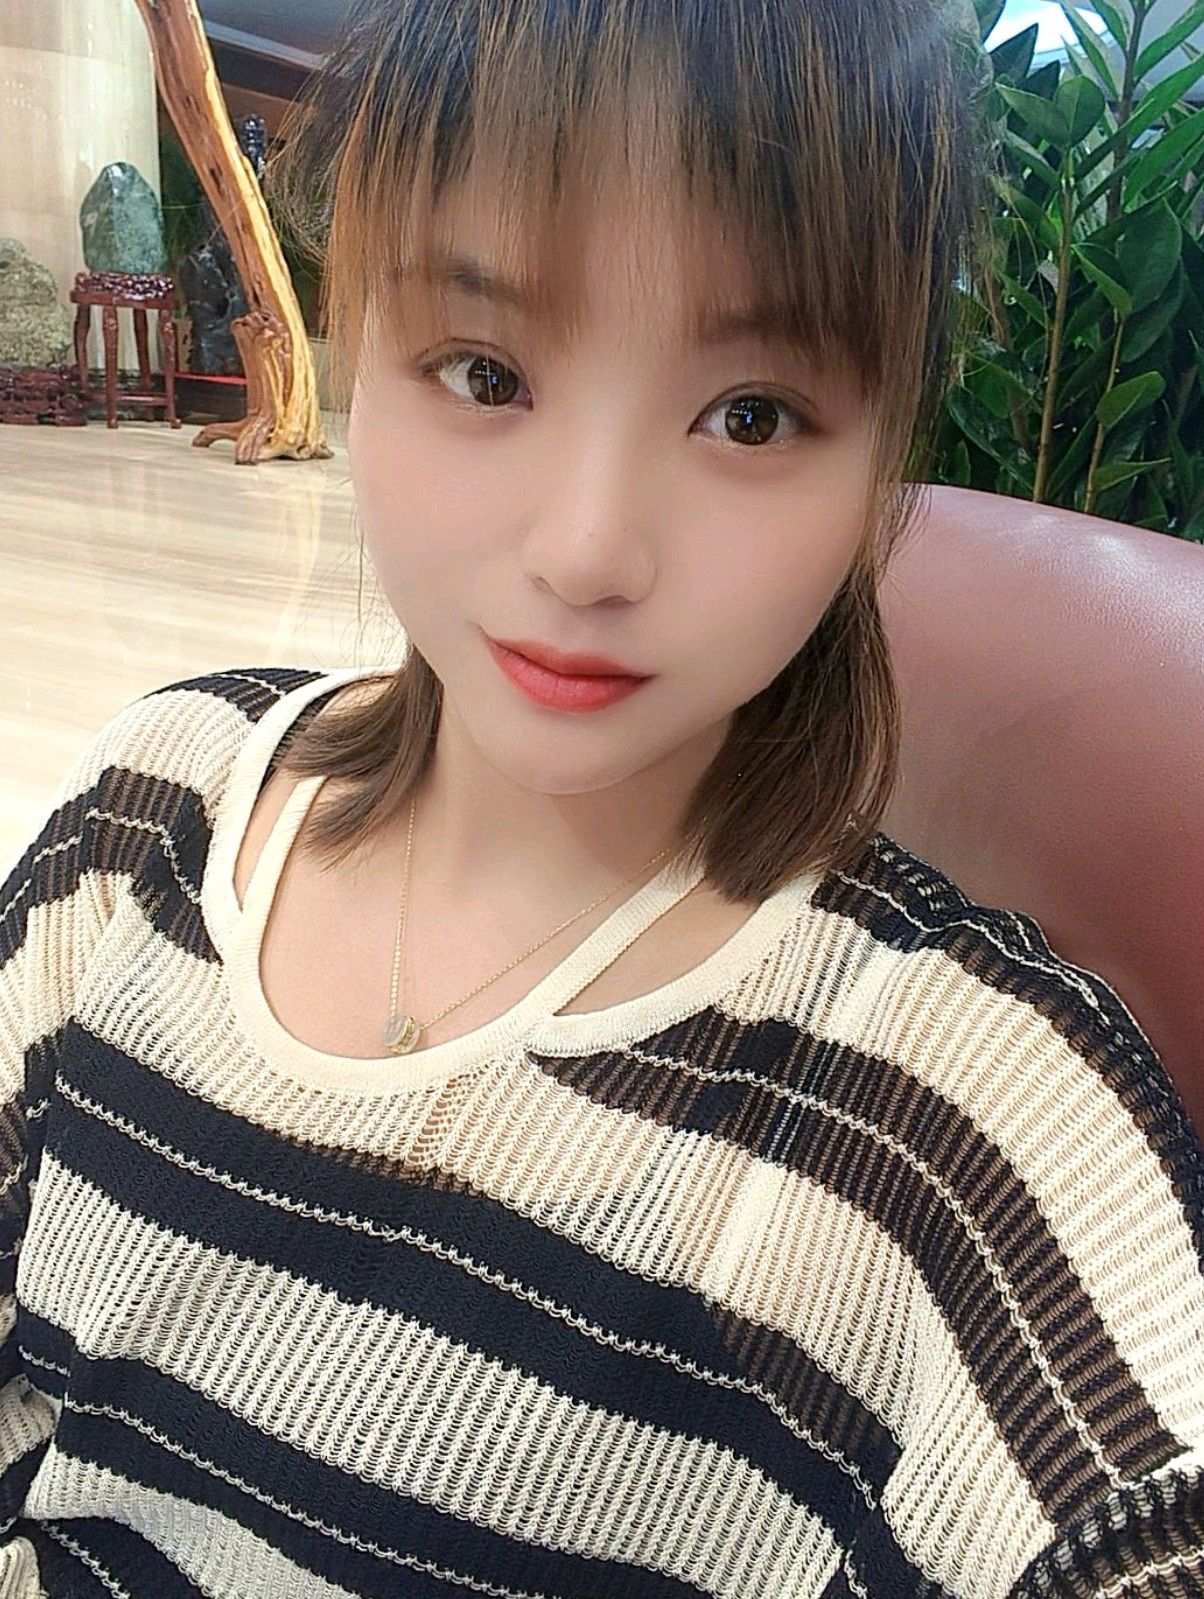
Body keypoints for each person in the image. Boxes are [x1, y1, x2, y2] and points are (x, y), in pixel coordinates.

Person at [2, 0, 1201, 1593]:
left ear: (880, 462)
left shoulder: (969, 1123)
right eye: (485, 371)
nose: (586, 551)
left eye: (750, 416)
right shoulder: (152, 811)